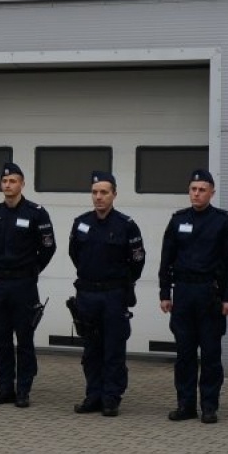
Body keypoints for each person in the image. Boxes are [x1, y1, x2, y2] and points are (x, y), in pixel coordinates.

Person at [159, 168, 228, 424]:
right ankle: (185, 405)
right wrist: (164, 292)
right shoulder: (177, 220)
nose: (196, 194)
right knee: (184, 354)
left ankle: (209, 406)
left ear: (211, 192)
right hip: (183, 294)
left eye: (202, 190)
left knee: (210, 354)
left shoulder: (223, 221)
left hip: (210, 295)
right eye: (193, 189)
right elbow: (166, 258)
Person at [68, 171, 146, 417]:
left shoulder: (126, 225)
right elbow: (74, 254)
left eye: (104, 192)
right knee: (91, 349)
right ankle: (93, 395)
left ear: (114, 194)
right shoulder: (81, 222)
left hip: (114, 295)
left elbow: (137, 262)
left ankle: (111, 397)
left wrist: (121, 283)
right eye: (94, 192)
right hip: (87, 294)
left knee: (113, 348)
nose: (98, 197)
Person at [0, 162, 57, 407]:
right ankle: (5, 387)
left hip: (24, 285)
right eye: (4, 181)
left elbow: (48, 247)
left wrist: (32, 270)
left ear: (22, 184)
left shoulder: (36, 213)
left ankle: (23, 390)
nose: (8, 185)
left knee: (24, 339)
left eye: (13, 181)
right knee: (0, 340)